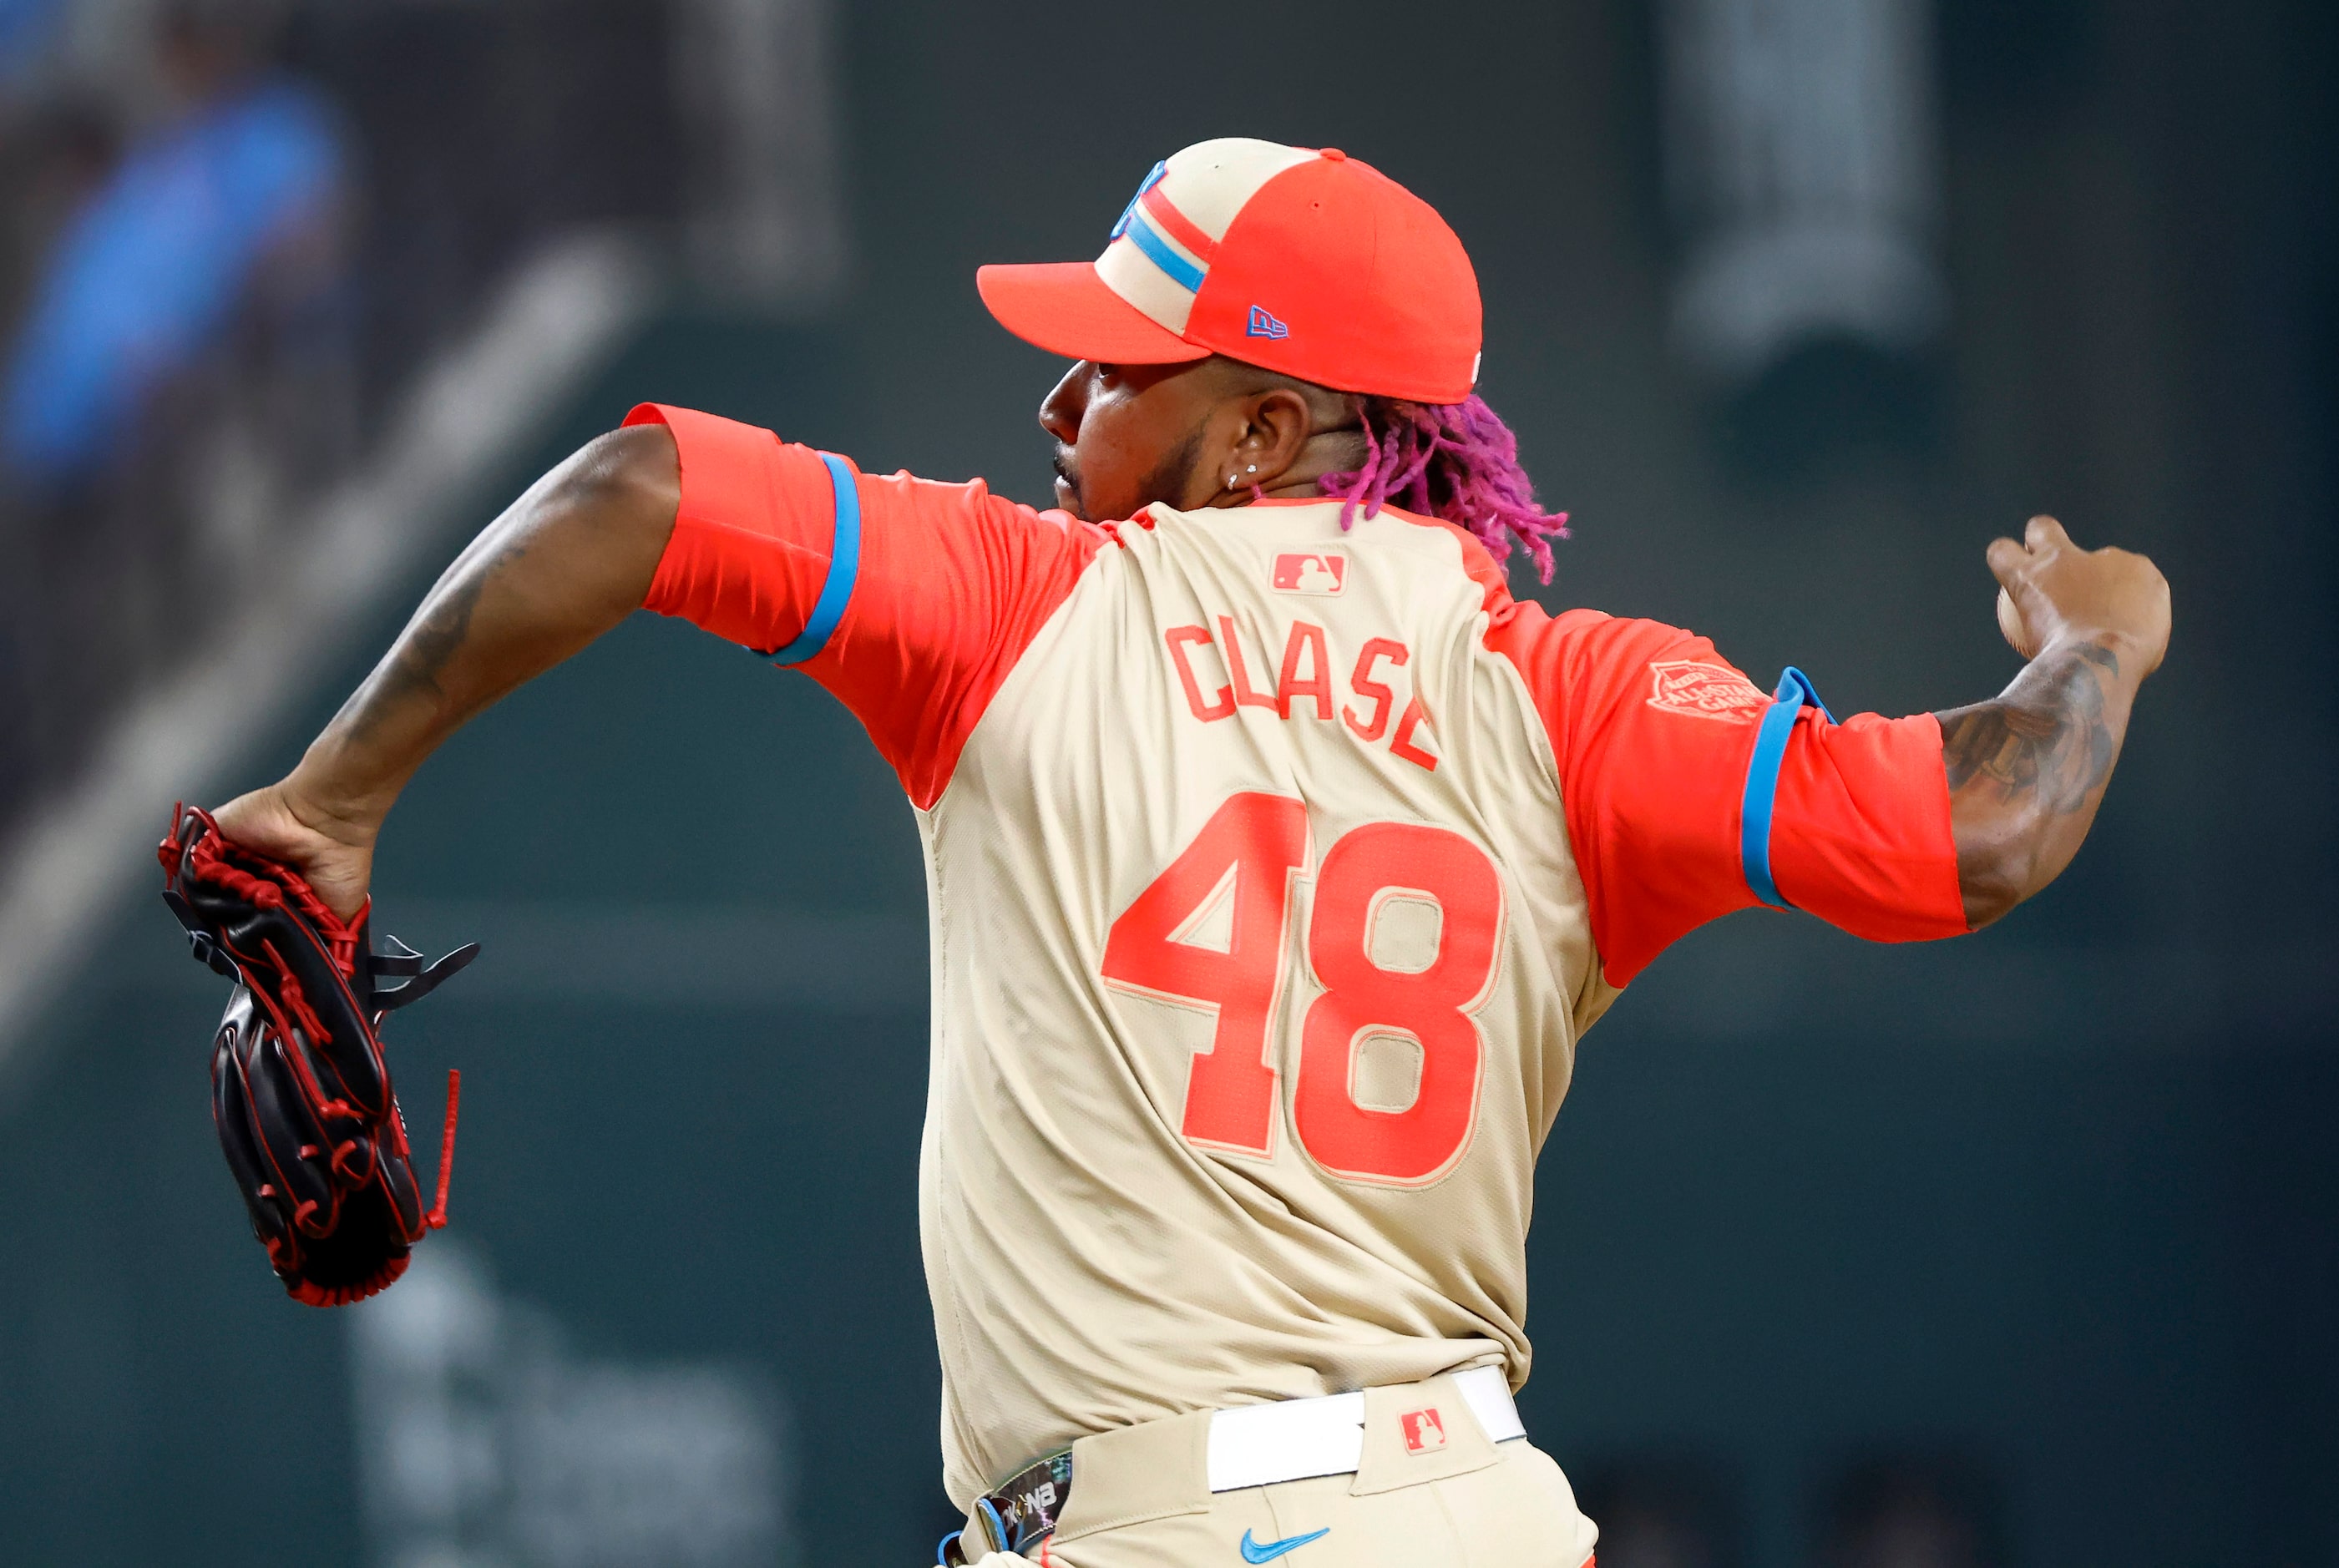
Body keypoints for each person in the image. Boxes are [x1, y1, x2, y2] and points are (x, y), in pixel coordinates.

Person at [207, 139, 2170, 1565]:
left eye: (1122, 365)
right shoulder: (1582, 700)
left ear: (1265, 432)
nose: (1060, 397)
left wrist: (333, 804)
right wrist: (2100, 648)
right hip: (1477, 1516)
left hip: (1152, 1534)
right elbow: (1990, 827)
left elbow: (638, 487)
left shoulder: (1016, 604)